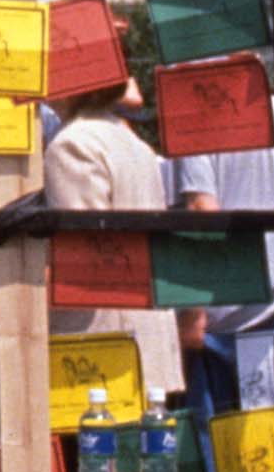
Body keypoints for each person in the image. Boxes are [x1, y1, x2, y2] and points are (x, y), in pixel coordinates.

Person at [167, 117, 274, 418]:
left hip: (231, 319)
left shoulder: (195, 120)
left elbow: (202, 212)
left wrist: (192, 310)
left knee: (235, 451)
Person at [41, 73, 182, 402]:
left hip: (101, 355)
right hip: (146, 347)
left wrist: (15, 309)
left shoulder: (72, 144)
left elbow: (82, 261)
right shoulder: (135, 144)